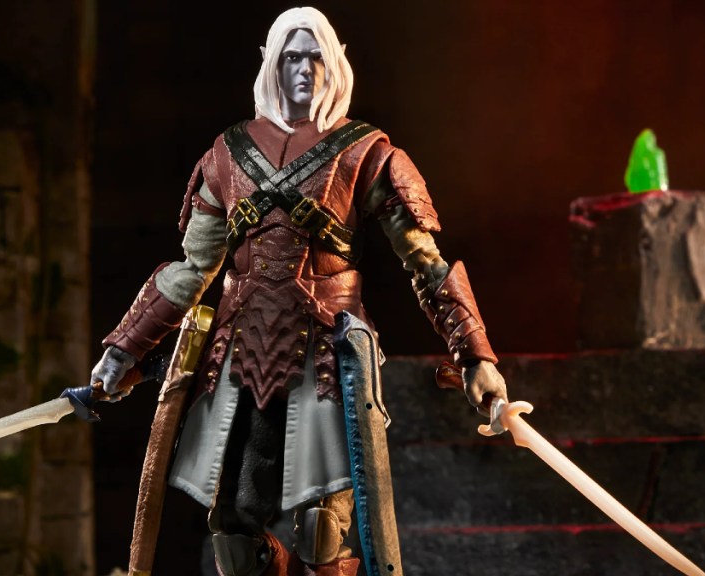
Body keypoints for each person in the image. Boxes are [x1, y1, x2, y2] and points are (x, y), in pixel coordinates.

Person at [92, 7, 508, 576]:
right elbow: (192, 270)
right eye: (292, 57)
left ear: (334, 63)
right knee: (234, 539)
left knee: (322, 532)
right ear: (272, 64)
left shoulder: (366, 152)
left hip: (326, 357)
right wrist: (123, 350)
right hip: (239, 357)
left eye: (315, 57)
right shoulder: (227, 155)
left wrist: (476, 356)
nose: (304, 69)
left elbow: (427, 265)